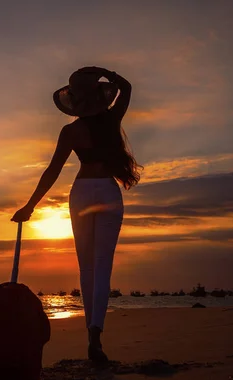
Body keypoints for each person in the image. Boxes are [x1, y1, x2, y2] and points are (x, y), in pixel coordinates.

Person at [11, 66, 142, 362]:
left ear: (76, 101)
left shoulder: (71, 131)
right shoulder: (111, 120)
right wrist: (104, 72)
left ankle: (90, 334)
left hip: (82, 193)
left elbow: (52, 172)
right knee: (102, 266)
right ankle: (96, 333)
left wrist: (30, 206)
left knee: (87, 268)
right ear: (99, 95)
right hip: (107, 192)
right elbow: (127, 87)